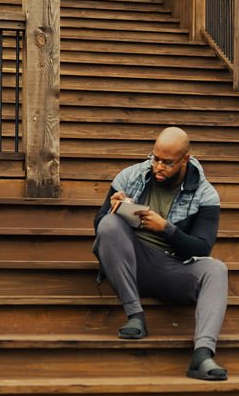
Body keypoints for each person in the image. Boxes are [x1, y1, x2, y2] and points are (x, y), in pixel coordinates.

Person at [93, 126, 228, 381]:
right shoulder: (130, 176)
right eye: (155, 158)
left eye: (167, 162)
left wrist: (167, 229)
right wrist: (111, 209)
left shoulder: (205, 194)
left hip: (172, 267)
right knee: (109, 225)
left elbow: (202, 247)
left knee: (216, 269)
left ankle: (203, 354)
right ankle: (135, 316)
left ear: (185, 159)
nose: (158, 166)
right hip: (130, 262)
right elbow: (98, 226)